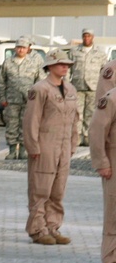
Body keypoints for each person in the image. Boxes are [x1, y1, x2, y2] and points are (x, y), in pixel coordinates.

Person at [24, 49, 79, 245]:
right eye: (61, 63)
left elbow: (75, 119)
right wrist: (33, 146)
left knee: (57, 190)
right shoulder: (40, 89)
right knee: (41, 190)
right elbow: (32, 120)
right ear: (50, 66)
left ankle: (52, 226)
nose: (65, 67)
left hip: (63, 147)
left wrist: (73, 144)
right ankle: (37, 229)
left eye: (67, 64)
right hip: (45, 146)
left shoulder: (71, 90)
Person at [0, 36, 44, 159]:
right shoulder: (8, 62)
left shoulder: (34, 63)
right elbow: (2, 82)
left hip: (28, 100)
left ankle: (23, 150)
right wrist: (2, 98)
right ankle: (12, 150)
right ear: (15, 48)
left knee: (26, 125)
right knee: (11, 125)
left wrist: (37, 98)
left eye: (23, 48)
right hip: (11, 100)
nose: (21, 50)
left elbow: (40, 81)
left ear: (28, 49)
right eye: (19, 47)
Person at [90, 86, 116, 263]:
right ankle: (112, 261)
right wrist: (101, 162)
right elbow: (97, 131)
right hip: (114, 164)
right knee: (114, 214)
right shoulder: (111, 99)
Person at [71, 28, 108, 146]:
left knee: (91, 113)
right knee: (77, 113)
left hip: (93, 87)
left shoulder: (100, 53)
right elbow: (68, 69)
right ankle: (76, 136)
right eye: (84, 36)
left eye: (89, 36)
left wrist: (104, 87)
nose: (86, 38)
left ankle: (87, 136)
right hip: (78, 86)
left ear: (93, 37)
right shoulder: (74, 52)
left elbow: (105, 71)